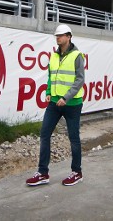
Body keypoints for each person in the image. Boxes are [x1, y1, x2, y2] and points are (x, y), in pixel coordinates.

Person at [26, 24, 86, 187]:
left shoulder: (77, 56)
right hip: (54, 103)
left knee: (74, 138)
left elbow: (80, 80)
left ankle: (77, 172)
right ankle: (43, 173)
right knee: (44, 134)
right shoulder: (53, 56)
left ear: (69, 37)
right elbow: (51, 76)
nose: (58, 38)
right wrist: (48, 91)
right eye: (56, 36)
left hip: (72, 104)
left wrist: (66, 98)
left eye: (60, 35)